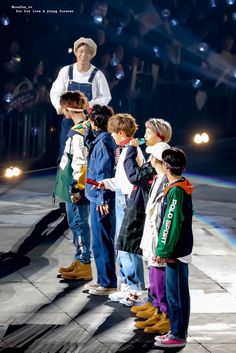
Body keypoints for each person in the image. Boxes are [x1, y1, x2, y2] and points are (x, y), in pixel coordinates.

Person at [116, 118, 172, 306]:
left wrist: (131, 150)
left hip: (149, 208)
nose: (145, 136)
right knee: (143, 253)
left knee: (151, 256)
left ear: (160, 136)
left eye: (149, 132)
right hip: (144, 204)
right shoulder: (153, 154)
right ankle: (152, 301)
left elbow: (135, 176)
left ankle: (151, 301)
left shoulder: (162, 154)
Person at [95, 113, 145, 301]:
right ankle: (126, 285)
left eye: (114, 134)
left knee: (128, 246)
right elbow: (121, 179)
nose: (112, 137)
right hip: (121, 196)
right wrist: (106, 183)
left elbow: (133, 179)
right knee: (122, 245)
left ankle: (134, 289)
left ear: (121, 132)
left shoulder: (131, 150)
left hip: (128, 199)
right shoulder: (125, 150)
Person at [154, 147, 194, 349]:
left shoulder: (176, 191)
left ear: (166, 167)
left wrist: (163, 251)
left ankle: (178, 334)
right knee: (177, 293)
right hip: (178, 250)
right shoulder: (181, 186)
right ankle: (176, 331)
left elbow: (170, 223)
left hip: (175, 253)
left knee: (175, 295)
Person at [50, 37, 111, 161]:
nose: (83, 55)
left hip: (88, 120)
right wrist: (60, 107)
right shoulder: (66, 71)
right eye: (81, 51)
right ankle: (64, 177)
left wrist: (89, 106)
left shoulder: (97, 74)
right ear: (76, 52)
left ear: (91, 55)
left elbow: (105, 96)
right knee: (65, 149)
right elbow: (55, 91)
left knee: (85, 149)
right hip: (68, 118)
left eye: (87, 52)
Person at [54, 91, 92, 281]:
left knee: (78, 223)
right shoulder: (84, 126)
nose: (61, 110)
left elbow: (80, 163)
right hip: (76, 184)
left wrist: (77, 187)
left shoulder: (79, 132)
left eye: (62, 106)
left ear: (68, 107)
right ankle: (79, 260)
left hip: (76, 186)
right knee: (77, 224)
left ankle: (84, 263)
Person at [135, 142, 170, 334]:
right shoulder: (158, 179)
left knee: (160, 277)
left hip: (159, 238)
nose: (150, 160)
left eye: (152, 157)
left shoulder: (166, 181)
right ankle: (157, 310)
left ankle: (165, 315)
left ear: (158, 159)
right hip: (151, 235)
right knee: (154, 275)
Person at [83, 104, 117, 296]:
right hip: (95, 196)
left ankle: (108, 281)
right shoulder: (100, 139)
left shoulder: (104, 142)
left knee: (102, 240)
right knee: (97, 241)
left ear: (96, 122)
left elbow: (103, 172)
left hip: (99, 197)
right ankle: (102, 278)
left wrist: (102, 199)